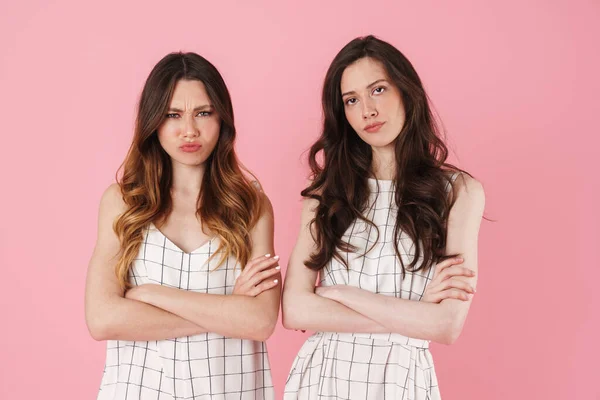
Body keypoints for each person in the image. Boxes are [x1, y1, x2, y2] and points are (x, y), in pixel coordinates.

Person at [282, 35, 485, 399]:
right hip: (323, 377)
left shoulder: (458, 192)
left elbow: (447, 325)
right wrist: (414, 314)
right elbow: (295, 310)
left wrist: (341, 294)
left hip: (401, 380)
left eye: (378, 90)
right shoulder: (326, 193)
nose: (367, 111)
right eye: (352, 100)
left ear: (407, 92)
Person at [85, 52, 279, 400]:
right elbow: (102, 319)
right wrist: (227, 309)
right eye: (173, 114)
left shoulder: (252, 206)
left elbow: (260, 321)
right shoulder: (123, 203)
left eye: (203, 113)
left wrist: (153, 297)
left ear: (222, 118)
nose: (189, 130)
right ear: (153, 121)